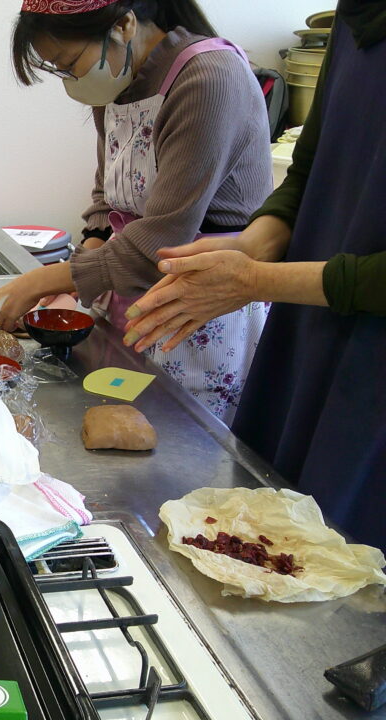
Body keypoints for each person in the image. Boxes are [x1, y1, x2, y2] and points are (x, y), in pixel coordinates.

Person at [121, 1, 386, 550]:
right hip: (309, 328)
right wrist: (250, 245)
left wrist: (255, 282)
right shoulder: (353, 18)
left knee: (339, 558)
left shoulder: (209, 76)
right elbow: (311, 166)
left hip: (369, 367)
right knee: (263, 529)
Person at [0, 0, 273, 422]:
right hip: (133, 290)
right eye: (60, 72)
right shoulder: (119, 82)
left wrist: (44, 280)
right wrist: (82, 262)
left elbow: (163, 238)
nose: (72, 83)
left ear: (123, 25)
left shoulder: (209, 78)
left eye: (71, 64)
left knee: (186, 443)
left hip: (201, 306)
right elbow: (109, 197)